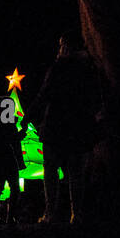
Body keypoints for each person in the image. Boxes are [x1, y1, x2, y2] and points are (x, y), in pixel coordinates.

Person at [24, 31, 101, 224]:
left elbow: (44, 95)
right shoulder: (90, 69)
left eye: (61, 45)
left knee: (51, 172)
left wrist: (27, 119)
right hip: (80, 130)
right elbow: (97, 99)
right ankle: (77, 214)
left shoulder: (59, 68)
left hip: (56, 128)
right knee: (77, 174)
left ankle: (51, 213)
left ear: (65, 47)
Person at [0, 94, 26, 226]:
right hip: (9, 161)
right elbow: (12, 140)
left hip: (2, 161)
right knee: (13, 189)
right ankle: (8, 218)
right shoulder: (5, 124)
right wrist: (22, 133)